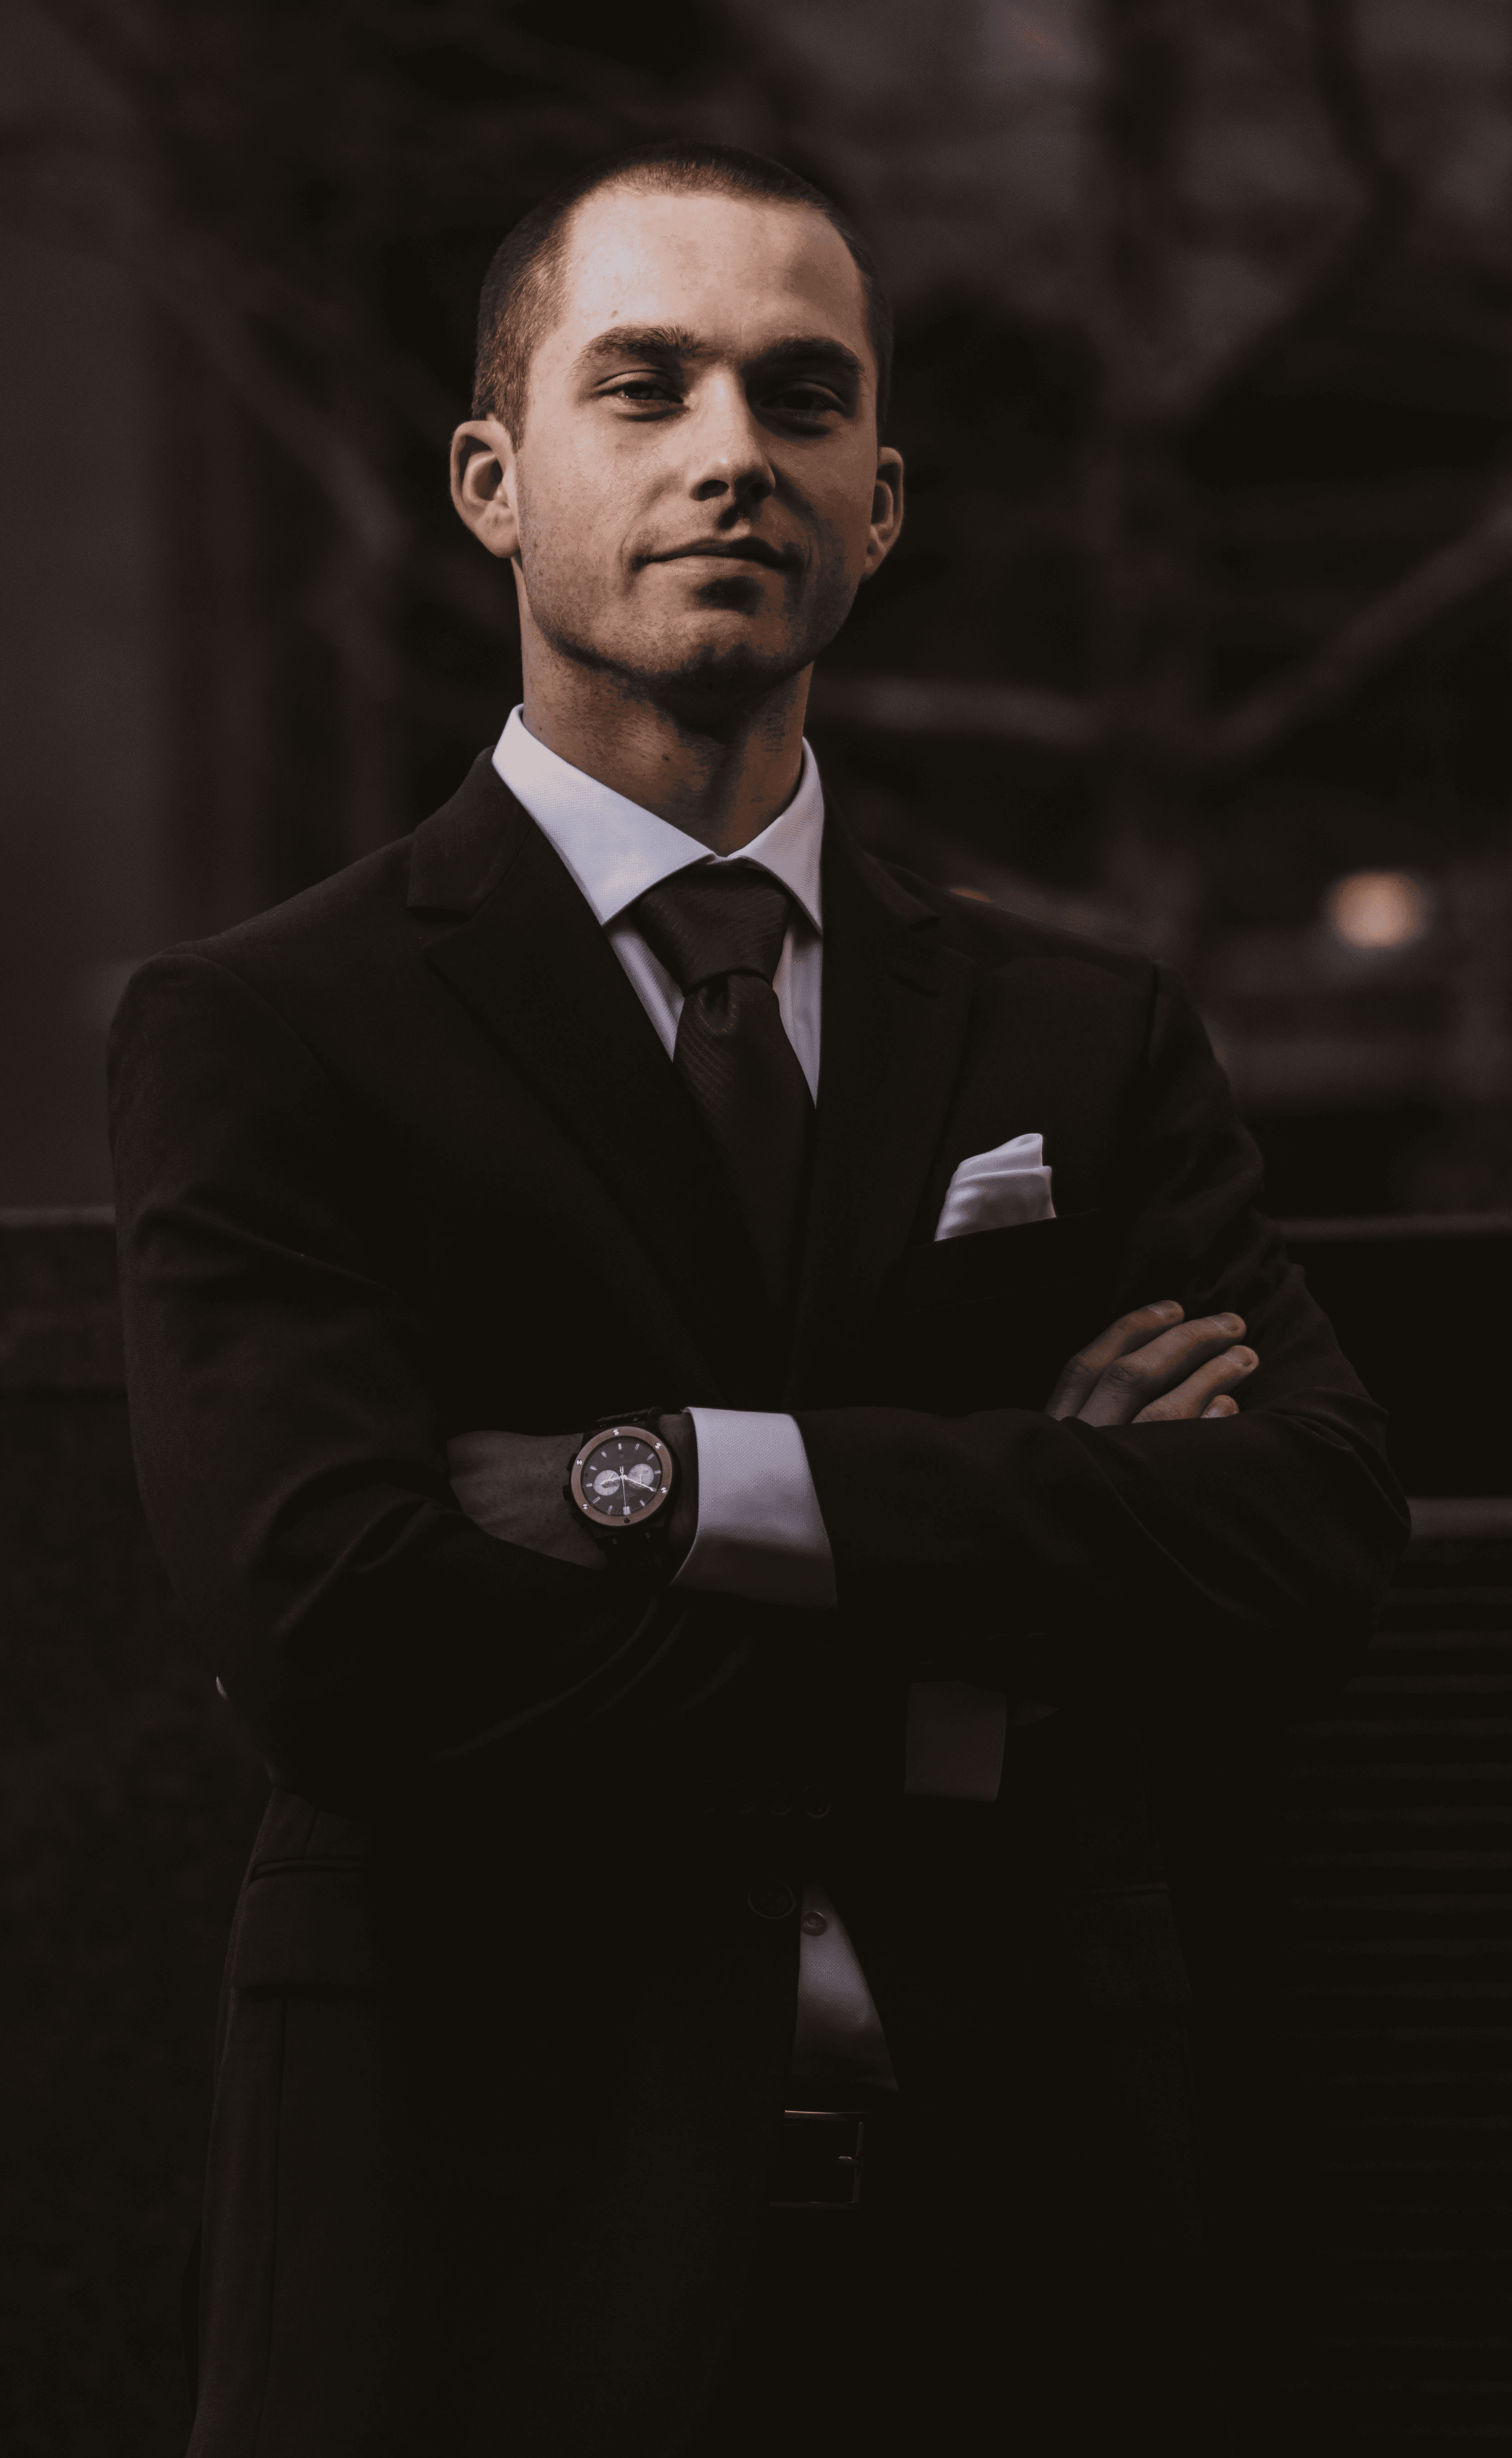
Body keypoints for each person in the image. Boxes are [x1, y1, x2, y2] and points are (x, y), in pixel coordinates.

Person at [109, 141, 1405, 2457]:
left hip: (1025, 2253)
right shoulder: (267, 1029)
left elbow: (1302, 1537)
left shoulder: (1072, 1033)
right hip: (482, 2254)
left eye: (800, 401)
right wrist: (991, 1635)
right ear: (494, 480)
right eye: (649, 384)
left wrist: (666, 1485)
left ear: (879, 501)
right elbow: (337, 1630)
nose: (734, 452)